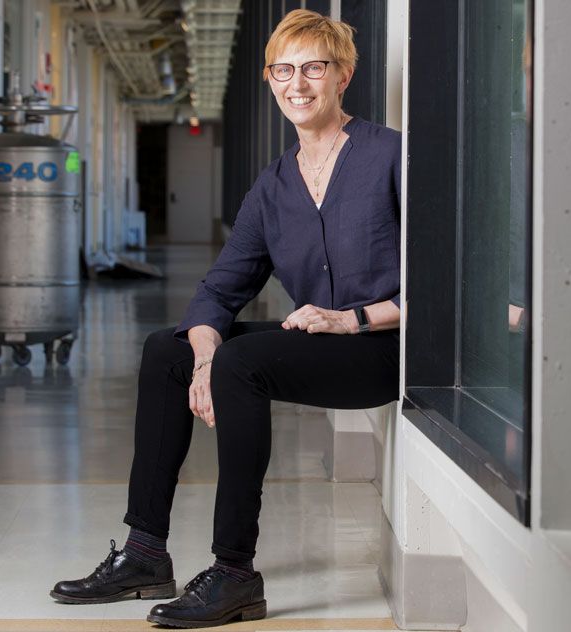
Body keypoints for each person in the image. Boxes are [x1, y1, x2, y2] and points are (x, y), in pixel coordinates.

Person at [50, 9, 401, 628]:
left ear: (343, 75)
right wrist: (204, 358)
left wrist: (354, 320)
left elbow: (451, 282)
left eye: (314, 68)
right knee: (169, 349)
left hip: (385, 346)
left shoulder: (390, 156)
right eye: (284, 70)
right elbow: (220, 288)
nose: (299, 84)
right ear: (269, 81)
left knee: (242, 363)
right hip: (318, 341)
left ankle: (236, 570)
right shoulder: (272, 188)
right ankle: (144, 552)